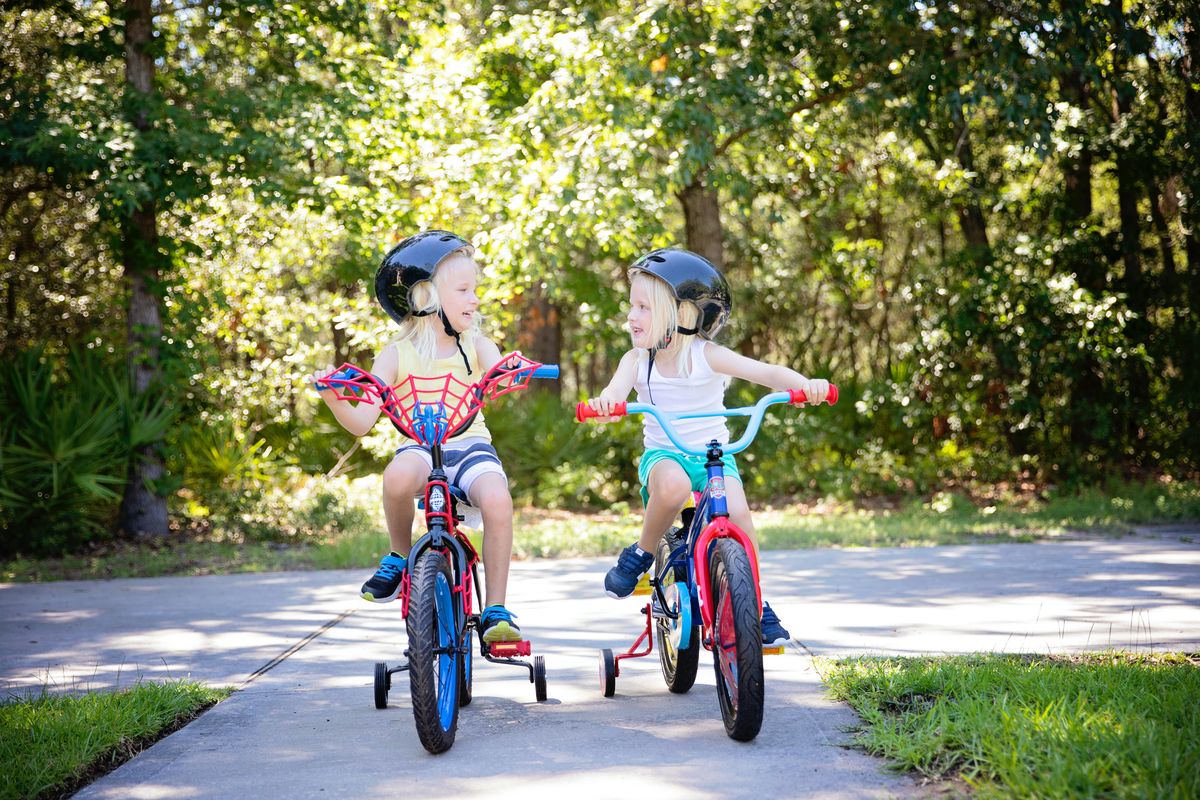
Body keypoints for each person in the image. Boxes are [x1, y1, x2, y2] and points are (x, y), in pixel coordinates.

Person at [585, 248, 830, 646]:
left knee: (739, 514)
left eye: (644, 307)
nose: (632, 316)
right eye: (632, 306)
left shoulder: (707, 355)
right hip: (664, 455)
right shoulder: (636, 361)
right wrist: (605, 406)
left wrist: (805, 385)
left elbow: (766, 372)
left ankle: (755, 601)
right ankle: (643, 552)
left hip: (714, 457)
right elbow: (613, 394)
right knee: (672, 487)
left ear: (682, 315)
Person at [311, 230, 522, 643]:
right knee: (396, 477)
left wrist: (509, 372)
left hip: (470, 445)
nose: (474, 299)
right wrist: (337, 400)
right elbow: (362, 423)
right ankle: (399, 555)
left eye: (474, 289)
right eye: (463, 290)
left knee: (499, 500)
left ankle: (496, 608)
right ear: (427, 297)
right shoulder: (394, 354)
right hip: (419, 446)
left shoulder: (478, 344)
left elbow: (500, 369)